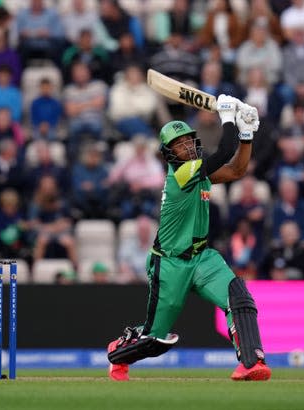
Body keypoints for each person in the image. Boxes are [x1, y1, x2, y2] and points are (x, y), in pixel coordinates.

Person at [107, 95, 271, 382]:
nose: (185, 147)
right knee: (155, 341)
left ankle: (251, 363)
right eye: (177, 145)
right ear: (169, 153)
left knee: (238, 297)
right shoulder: (181, 174)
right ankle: (118, 352)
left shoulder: (200, 172)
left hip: (202, 257)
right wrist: (228, 118)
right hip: (169, 263)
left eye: (187, 140)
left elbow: (236, 169)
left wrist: (246, 134)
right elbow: (223, 153)